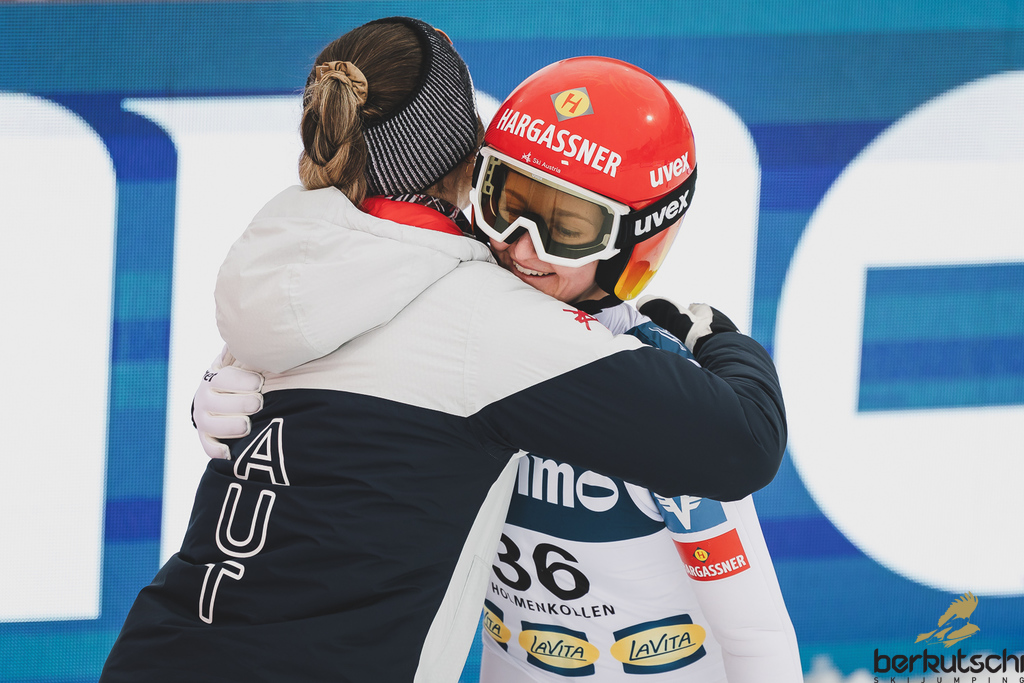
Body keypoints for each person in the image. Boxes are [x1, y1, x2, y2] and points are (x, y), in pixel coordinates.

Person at [103, 17, 787, 683]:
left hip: (157, 649)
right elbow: (744, 442)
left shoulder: (294, 270)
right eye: (508, 203)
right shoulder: (498, 326)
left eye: (565, 226)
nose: (521, 248)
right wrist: (716, 337)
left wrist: (228, 367)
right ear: (472, 162)